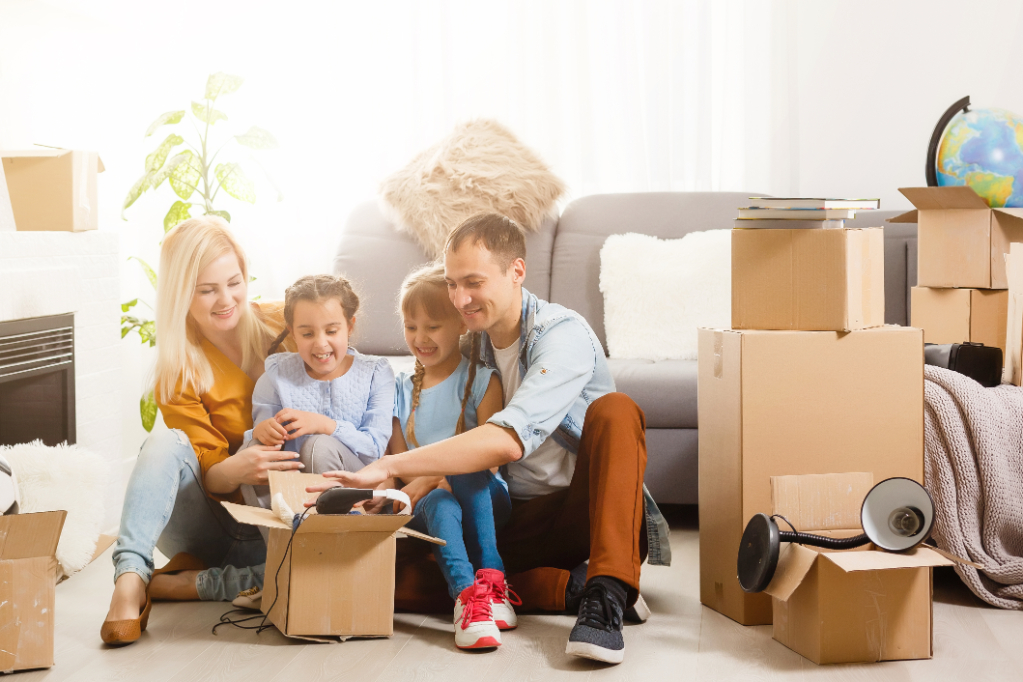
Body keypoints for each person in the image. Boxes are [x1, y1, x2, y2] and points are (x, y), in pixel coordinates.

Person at [309, 213, 671, 665]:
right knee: (388, 582)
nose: (460, 299)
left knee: (616, 410)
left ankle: (608, 588)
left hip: (586, 515)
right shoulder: (471, 345)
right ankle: (567, 588)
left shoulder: (563, 334)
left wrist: (391, 466)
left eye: (473, 282)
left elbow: (505, 440)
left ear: (516, 272)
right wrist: (399, 494)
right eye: (452, 283)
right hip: (509, 517)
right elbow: (461, 447)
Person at [101, 216, 305, 646]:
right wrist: (238, 467)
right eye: (207, 290)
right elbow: (209, 475)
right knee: (162, 441)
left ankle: (194, 583)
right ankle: (131, 579)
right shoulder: (179, 368)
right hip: (219, 522)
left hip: (288, 522)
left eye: (234, 282)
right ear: (181, 294)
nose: (226, 300)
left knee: (313, 567)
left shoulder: (286, 326)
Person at [389, 263, 512, 650]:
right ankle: (467, 598)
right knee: (441, 499)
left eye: (433, 326)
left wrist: (438, 474)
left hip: (485, 497)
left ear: (461, 324)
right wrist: (431, 482)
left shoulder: (483, 380)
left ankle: (493, 581)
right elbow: (401, 470)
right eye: (411, 327)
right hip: (429, 505)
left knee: (469, 472)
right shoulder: (398, 389)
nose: (420, 338)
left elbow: (489, 458)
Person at [239, 274, 393, 513]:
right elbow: (261, 439)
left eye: (331, 331)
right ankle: (284, 542)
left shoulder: (375, 373)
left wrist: (325, 425)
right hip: (293, 489)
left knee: (318, 446)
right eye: (308, 334)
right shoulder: (275, 376)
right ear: (292, 333)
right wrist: (262, 431)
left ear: (350, 326)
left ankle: (334, 541)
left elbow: (374, 448)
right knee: (253, 451)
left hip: (356, 484)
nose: (321, 344)